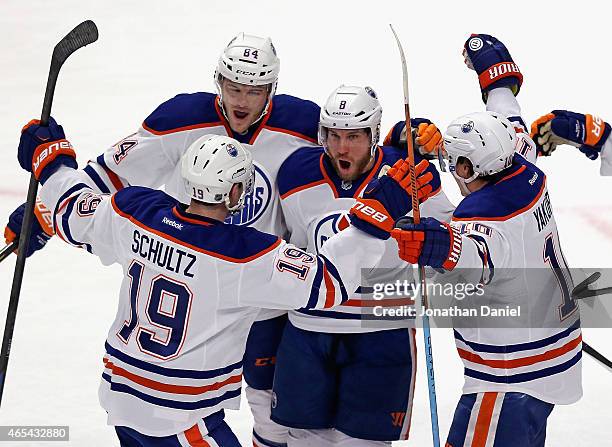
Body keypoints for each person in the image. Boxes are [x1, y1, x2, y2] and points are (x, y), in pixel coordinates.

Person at [15, 118, 433, 445]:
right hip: (179, 415)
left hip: (120, 398)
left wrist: (51, 161)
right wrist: (378, 211)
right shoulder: (244, 254)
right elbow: (327, 283)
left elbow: (71, 207)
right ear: (235, 193)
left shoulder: (134, 211)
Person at [5, 32, 321, 446]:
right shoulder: (181, 117)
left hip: (268, 294)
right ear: (218, 82)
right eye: (233, 88)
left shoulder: (303, 124)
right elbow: (107, 177)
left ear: (271, 90)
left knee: (270, 408)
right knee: (185, 406)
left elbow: (354, 147)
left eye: (255, 91)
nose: (242, 101)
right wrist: (45, 213)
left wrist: (404, 140)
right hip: (199, 299)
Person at [391, 34, 583, 447]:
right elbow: (507, 114)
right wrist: (494, 76)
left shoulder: (485, 215)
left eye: (452, 161)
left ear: (469, 165)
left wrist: (434, 245)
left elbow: (475, 254)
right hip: (550, 354)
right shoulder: (523, 161)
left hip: (510, 375)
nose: (448, 166)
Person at [272, 85, 455, 446]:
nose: (342, 148)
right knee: (303, 441)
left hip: (381, 331)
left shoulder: (409, 174)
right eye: (334, 136)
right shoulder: (294, 173)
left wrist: (430, 242)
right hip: (309, 329)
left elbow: (450, 241)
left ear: (374, 134)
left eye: (354, 137)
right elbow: (284, 243)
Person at [531, 110, 612, 176]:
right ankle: (548, 139)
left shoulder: (607, 127)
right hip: (577, 132)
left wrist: (560, 113)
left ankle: (547, 136)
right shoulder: (602, 146)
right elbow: (593, 155)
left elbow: (575, 115)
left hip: (574, 123)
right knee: (573, 140)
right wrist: (584, 150)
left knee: (572, 137)